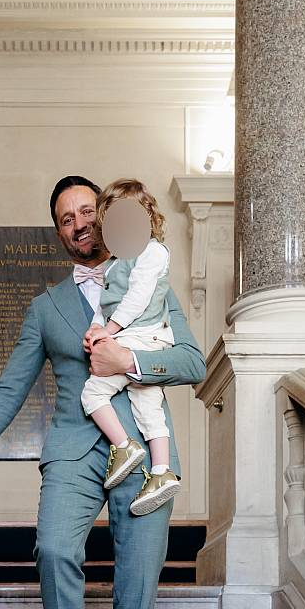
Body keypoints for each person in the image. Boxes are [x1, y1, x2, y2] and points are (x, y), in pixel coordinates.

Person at [0, 176, 205, 609]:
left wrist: (133, 361)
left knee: (139, 578)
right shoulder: (46, 308)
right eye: (66, 218)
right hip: (74, 445)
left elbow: (193, 361)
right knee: (52, 550)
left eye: (87, 210)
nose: (79, 223)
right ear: (60, 232)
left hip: (144, 447)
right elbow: (9, 389)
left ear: (107, 214)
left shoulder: (151, 279)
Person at [79, 179, 180, 516]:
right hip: (138, 338)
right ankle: (162, 472)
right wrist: (96, 327)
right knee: (148, 407)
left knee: (92, 394)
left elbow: (137, 297)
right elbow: (106, 303)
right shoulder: (116, 263)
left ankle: (123, 446)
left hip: (142, 336)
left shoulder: (153, 252)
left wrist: (108, 331)